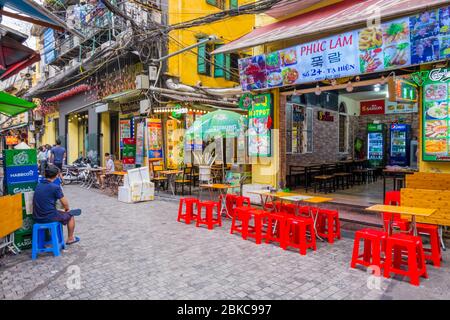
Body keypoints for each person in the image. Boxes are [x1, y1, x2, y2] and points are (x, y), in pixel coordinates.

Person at [33, 164, 81, 245]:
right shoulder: (55, 187)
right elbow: (65, 203)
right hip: (49, 217)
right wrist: (67, 210)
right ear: (56, 175)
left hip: (37, 217)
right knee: (71, 215)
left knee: (58, 211)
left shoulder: (38, 185)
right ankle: (70, 239)